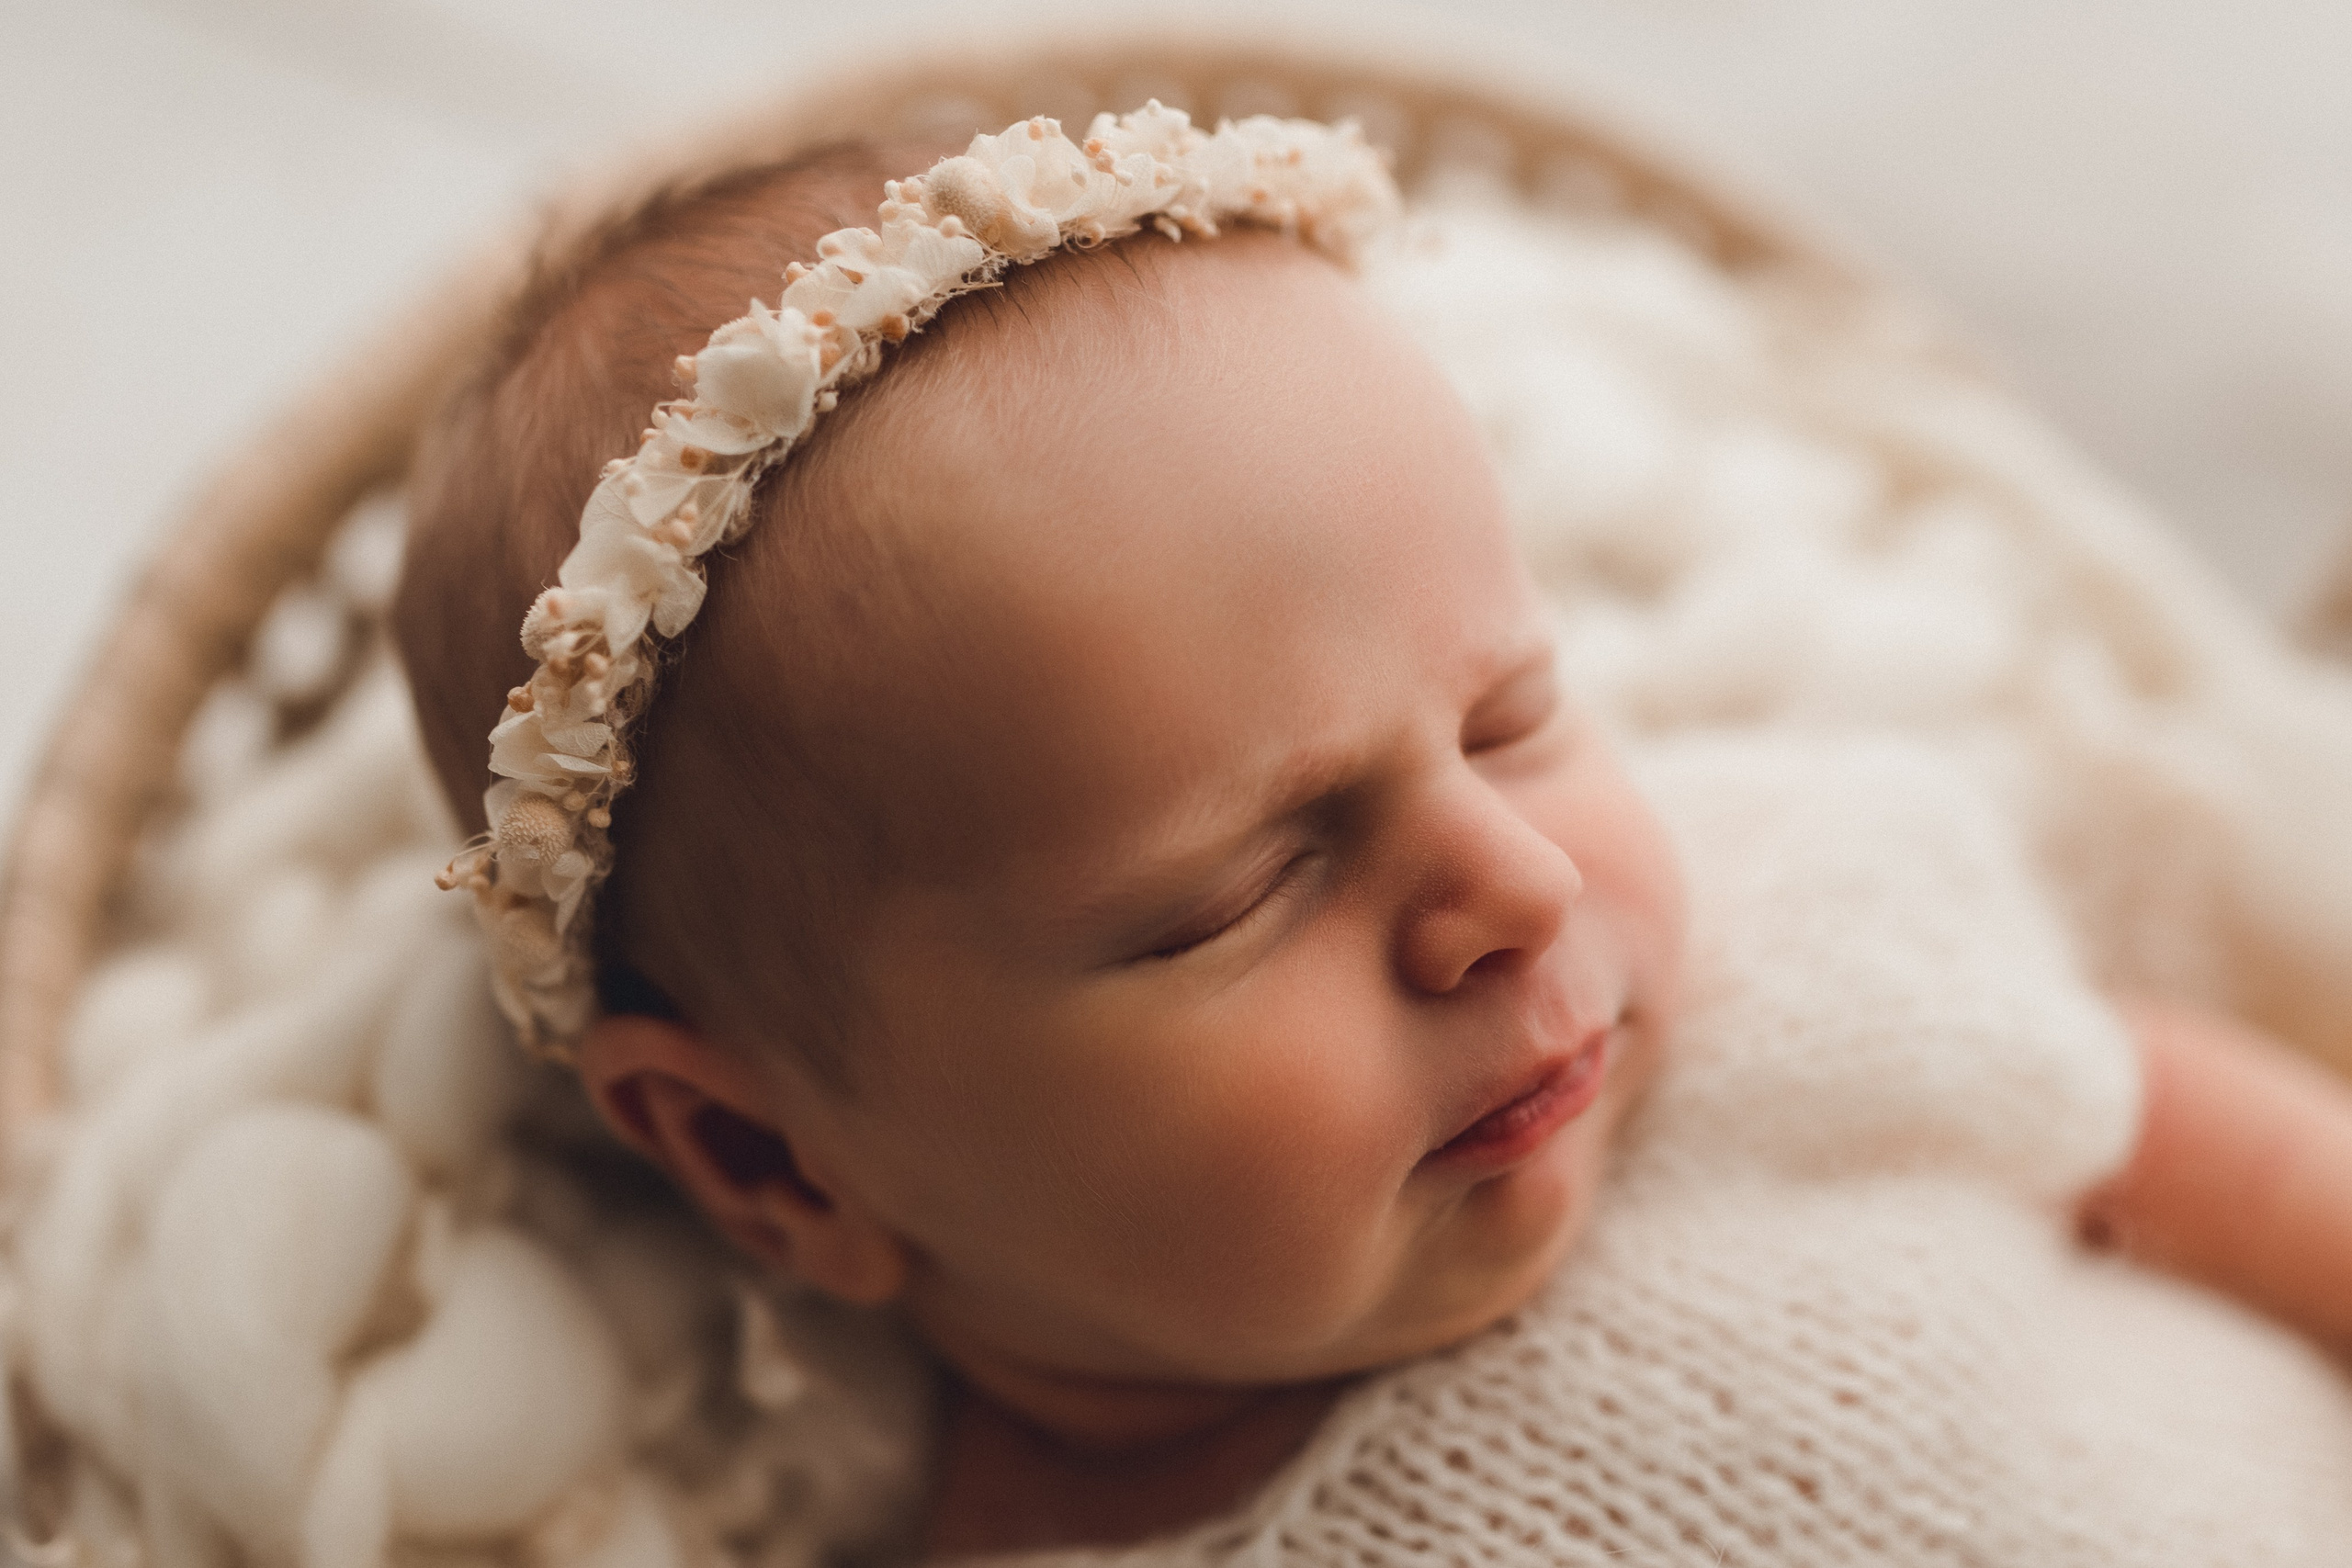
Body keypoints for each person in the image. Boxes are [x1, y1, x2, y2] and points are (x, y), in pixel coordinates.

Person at [392, 108, 2352, 1558]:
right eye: (1240, 889)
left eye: (1512, 716)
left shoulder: (1775, 954)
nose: (1518, 885)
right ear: (764, 1153)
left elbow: (2162, 1118)